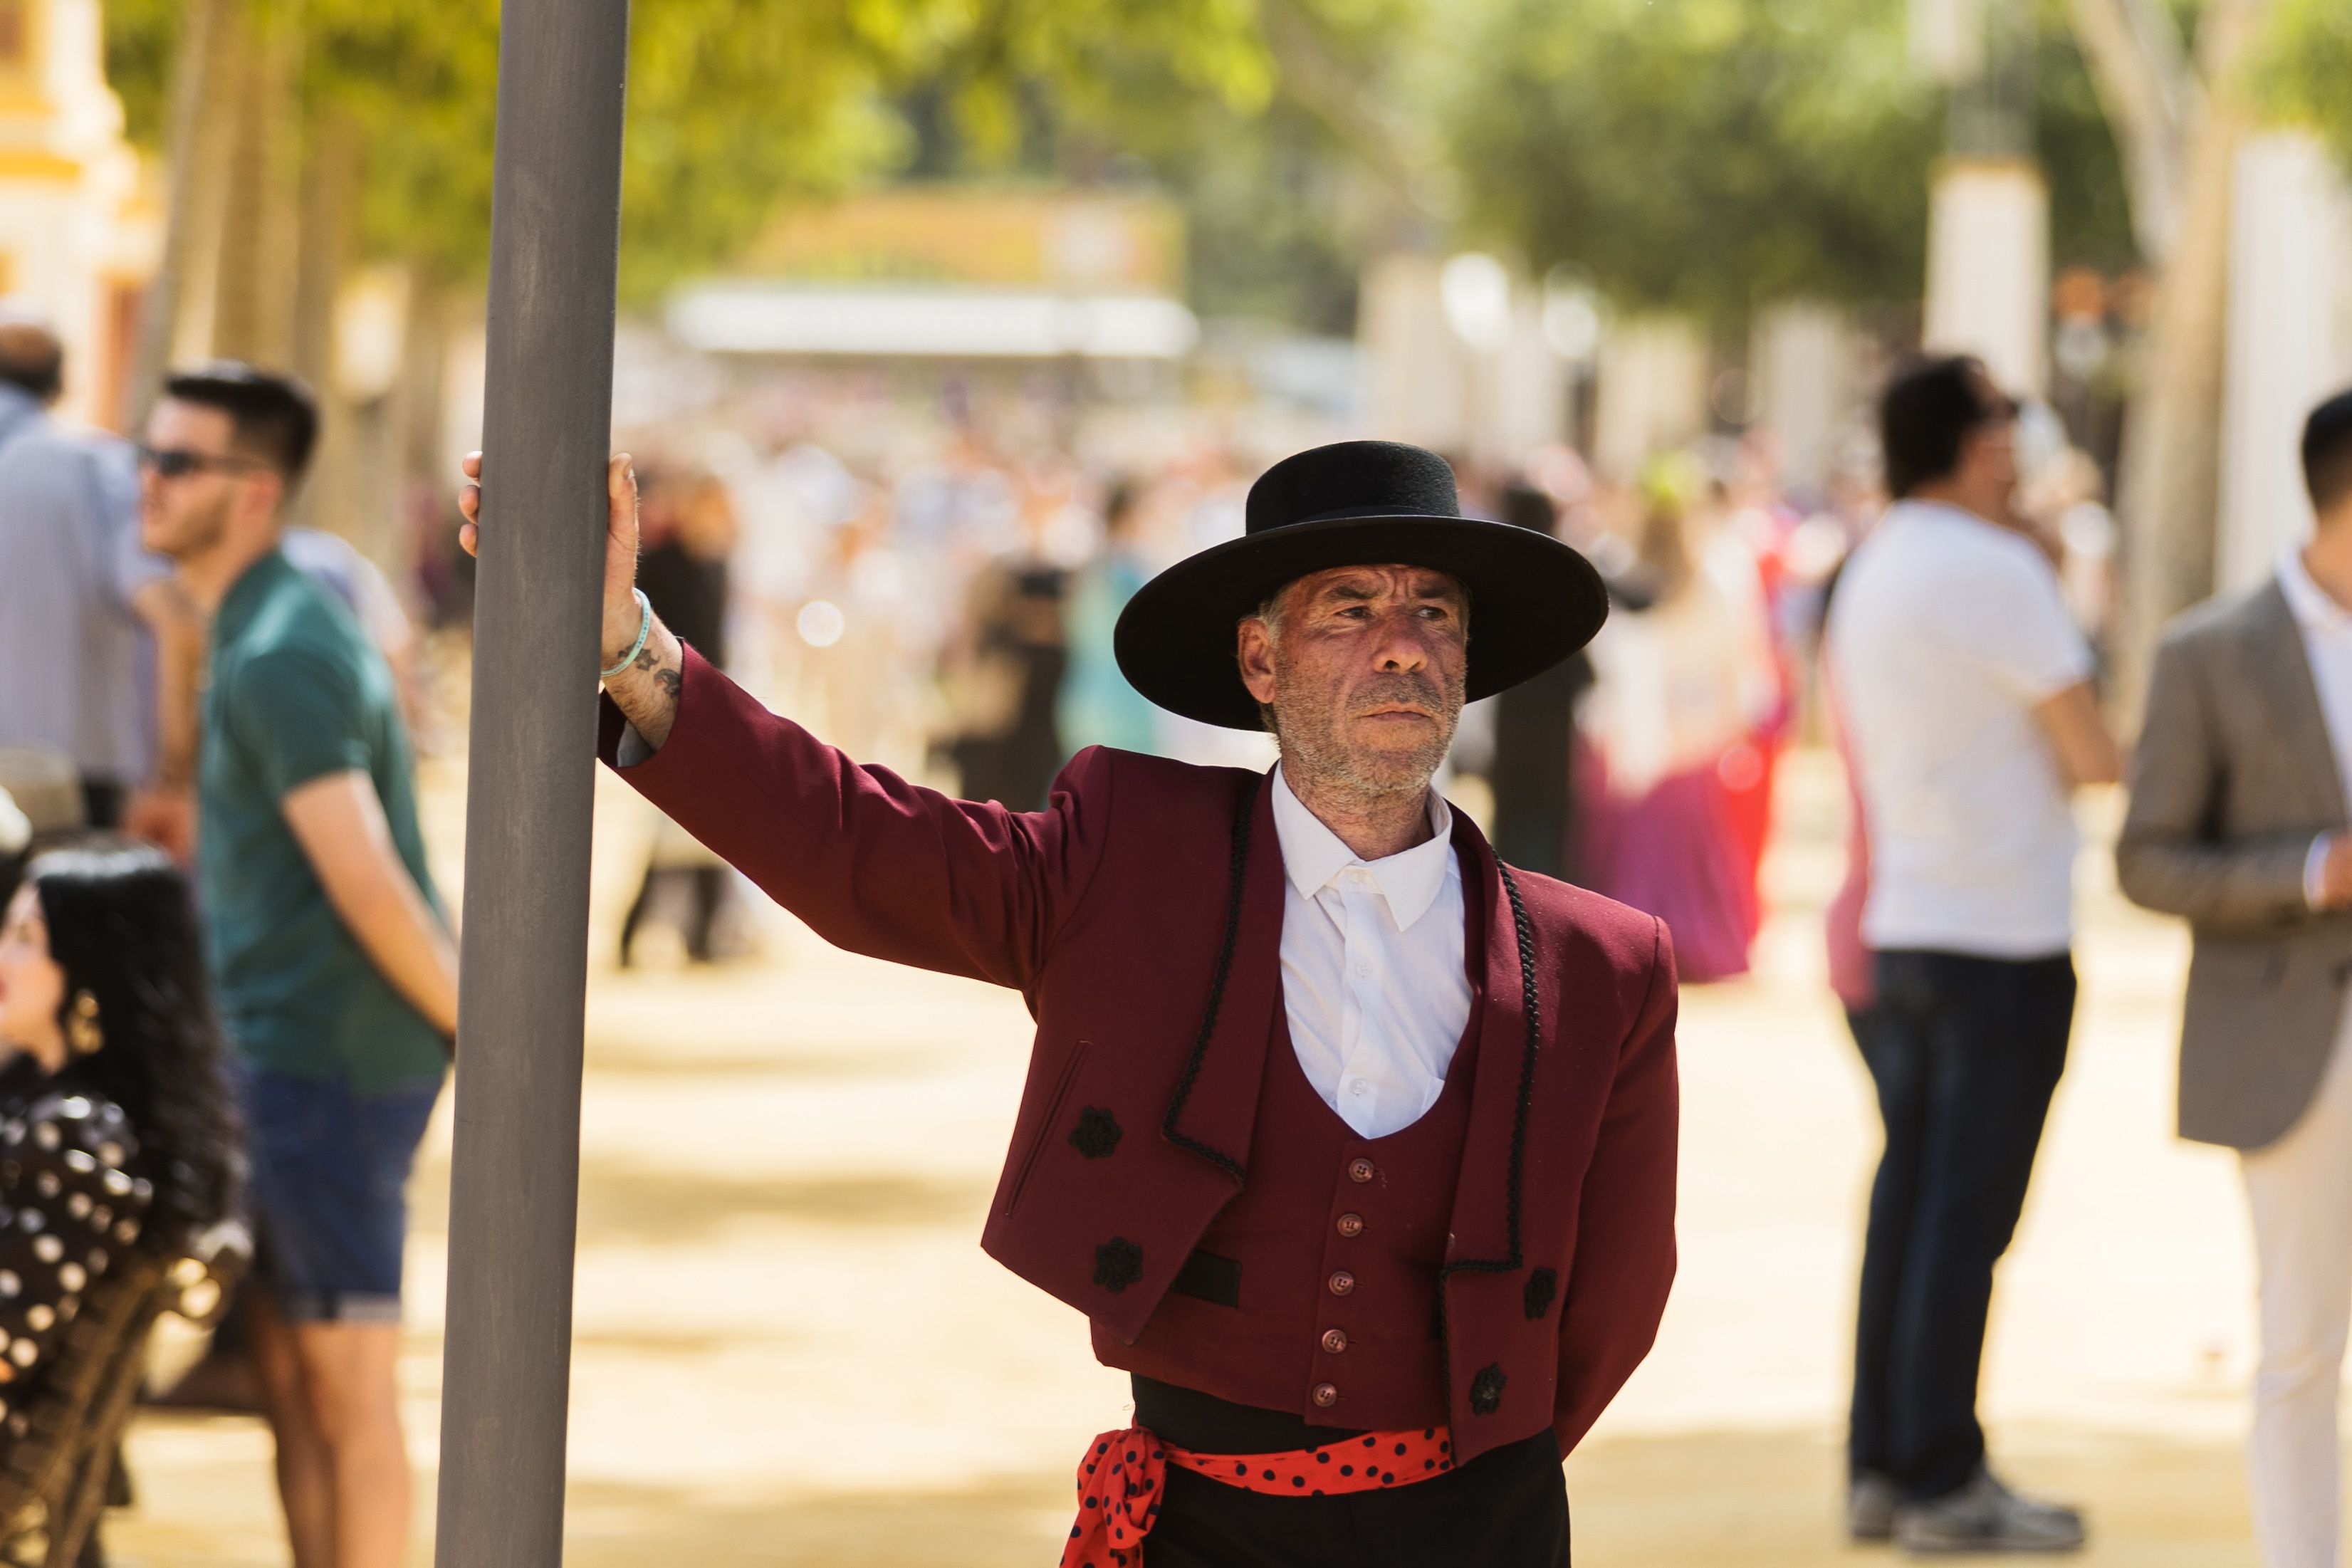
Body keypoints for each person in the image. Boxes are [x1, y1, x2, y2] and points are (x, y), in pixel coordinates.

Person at [461, 438, 1679, 1567]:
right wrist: (627, 644)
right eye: (1349, 609)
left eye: (1433, 612)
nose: (1401, 646)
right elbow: (855, 844)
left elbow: (1613, 1305)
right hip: (1200, 1530)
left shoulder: (1601, 966)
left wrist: (1458, 1480)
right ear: (1259, 659)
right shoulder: (1129, 861)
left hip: (1482, 1530)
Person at [140, 362, 454, 1568]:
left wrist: (486, 1033)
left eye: (179, 464)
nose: (150, 484)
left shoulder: (278, 648)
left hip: (327, 1062)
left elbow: (364, 875)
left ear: (255, 491)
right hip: (280, 1054)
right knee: (289, 1379)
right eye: (148, 457)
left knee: (344, 1384)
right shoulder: (248, 622)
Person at [1824, 356, 2120, 1553]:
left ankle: (1883, 1463)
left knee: (1906, 1206)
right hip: (2000, 931)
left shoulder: (1876, 559)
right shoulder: (1994, 568)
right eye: (2004, 421)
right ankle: (1941, 1474)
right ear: (1976, 439)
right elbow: (2092, 753)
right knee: (1961, 1217)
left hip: (1908, 919)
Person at [2116, 388, 2352, 1568]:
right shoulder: (2208, 652)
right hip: (2292, 1041)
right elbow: (2145, 859)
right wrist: (2310, 872)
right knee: (2301, 1341)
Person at [0, 840, 243, 1549]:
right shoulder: (48, 1109)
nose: (2, 956)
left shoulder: (76, 1135)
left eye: (27, 940)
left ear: (92, 972)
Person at [0, 305, 202, 854]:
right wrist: (174, 781)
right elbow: (176, 620)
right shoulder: (91, 466)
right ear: (62, 385)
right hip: (64, 794)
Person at [1578, 457, 1772, 981]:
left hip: (1645, 729)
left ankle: (1633, 940)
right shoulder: (1711, 576)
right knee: (1687, 847)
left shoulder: (1628, 570)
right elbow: (1735, 660)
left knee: (1643, 846)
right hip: (1689, 731)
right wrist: (1729, 724)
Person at [1486, 484, 1595, 883]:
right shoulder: (1561, 583)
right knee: (1549, 824)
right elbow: (1583, 673)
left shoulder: (1496, 582)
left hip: (1512, 725)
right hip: (1552, 730)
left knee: (1513, 817)